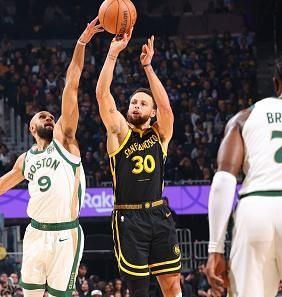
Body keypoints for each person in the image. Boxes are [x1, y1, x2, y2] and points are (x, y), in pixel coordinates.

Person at [0, 18, 103, 297]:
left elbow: (71, 84)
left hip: (66, 234)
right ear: (31, 127)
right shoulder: (25, 160)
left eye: (51, 116)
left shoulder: (65, 139)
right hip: (36, 233)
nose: (49, 117)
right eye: (43, 116)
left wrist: (82, 42)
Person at [206, 51, 282, 297]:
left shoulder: (245, 117)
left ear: (276, 83)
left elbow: (224, 180)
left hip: (255, 209)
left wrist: (215, 248)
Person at [95, 32, 180, 297]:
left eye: (143, 103)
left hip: (158, 213)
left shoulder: (160, 135)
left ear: (151, 112)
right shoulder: (119, 132)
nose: (136, 105)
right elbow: (102, 94)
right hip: (128, 217)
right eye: (133, 102)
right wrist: (112, 53)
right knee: (139, 289)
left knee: (172, 283)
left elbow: (166, 108)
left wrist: (148, 67)